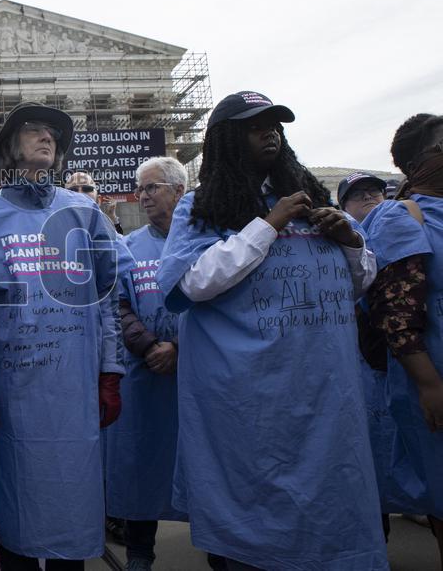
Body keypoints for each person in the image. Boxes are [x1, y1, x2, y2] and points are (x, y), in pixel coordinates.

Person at [156, 91, 387, 570]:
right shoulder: (203, 206)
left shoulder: (313, 204)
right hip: (250, 401)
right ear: (226, 139)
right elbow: (190, 283)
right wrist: (266, 225)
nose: (271, 132)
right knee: (253, 526)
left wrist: (348, 241)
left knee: (330, 517)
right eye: (255, 125)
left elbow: (356, 286)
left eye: (276, 124)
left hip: (323, 395)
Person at [0, 101, 125, 569]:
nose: (46, 136)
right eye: (33, 129)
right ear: (10, 147)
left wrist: (111, 370)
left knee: (71, 520)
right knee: (18, 520)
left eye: (53, 131)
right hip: (13, 394)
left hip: (75, 390)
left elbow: (108, 294)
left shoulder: (83, 211)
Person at [363, 113, 443, 566]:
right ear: (422, 162)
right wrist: (429, 384)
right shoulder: (401, 214)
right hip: (433, 373)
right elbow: (396, 311)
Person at [103, 157, 187, 571]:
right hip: (146, 378)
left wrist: (181, 349)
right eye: (140, 189)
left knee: (206, 467)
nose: (143, 196)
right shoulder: (129, 247)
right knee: (141, 468)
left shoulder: (207, 242)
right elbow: (116, 304)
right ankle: (139, 555)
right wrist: (151, 345)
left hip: (198, 380)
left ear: (178, 191)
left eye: (152, 187)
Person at [338, 170, 427, 541]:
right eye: (359, 195)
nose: (370, 198)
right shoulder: (336, 245)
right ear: (342, 209)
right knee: (367, 463)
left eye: (374, 191)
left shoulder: (403, 231)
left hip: (401, 364)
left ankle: (416, 505)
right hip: (359, 370)